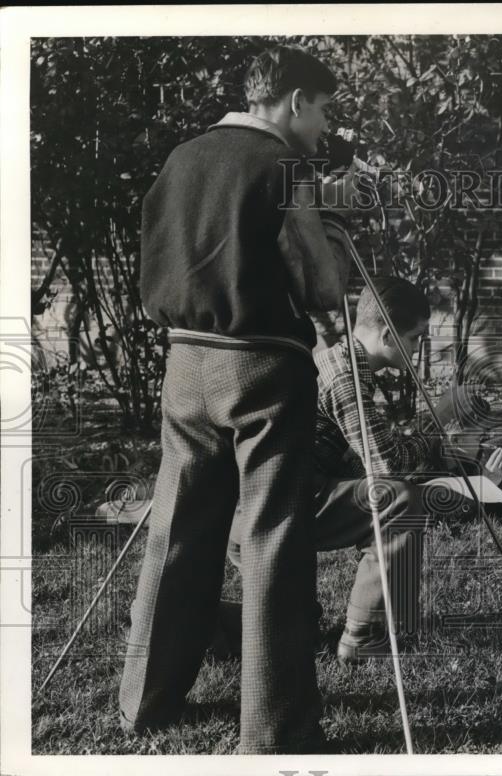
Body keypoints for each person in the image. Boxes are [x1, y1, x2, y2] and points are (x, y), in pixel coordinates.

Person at [119, 46, 342, 753]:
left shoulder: (183, 155)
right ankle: (274, 732)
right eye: (325, 110)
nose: (326, 126)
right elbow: (321, 290)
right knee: (273, 535)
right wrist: (329, 240)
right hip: (262, 369)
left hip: (184, 363)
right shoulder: (282, 167)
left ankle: (143, 704)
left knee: (176, 531)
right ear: (295, 101)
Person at [228, 276, 502, 662]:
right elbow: (387, 465)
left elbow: (368, 456)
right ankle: (365, 635)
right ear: (389, 336)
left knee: (295, 629)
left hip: (276, 502)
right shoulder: (347, 378)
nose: (419, 349)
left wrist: (458, 462)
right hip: (276, 510)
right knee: (399, 502)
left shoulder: (340, 362)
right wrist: (441, 417)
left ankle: (195, 626)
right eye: (417, 337)